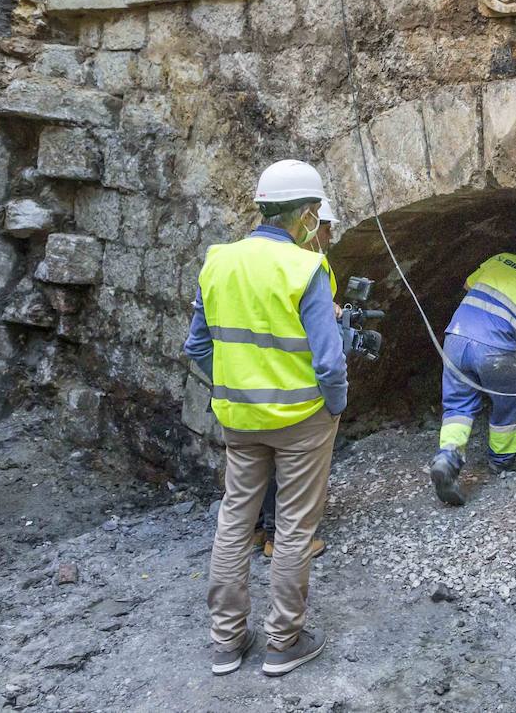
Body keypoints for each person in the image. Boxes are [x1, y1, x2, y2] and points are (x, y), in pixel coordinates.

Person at [184, 161, 348, 678]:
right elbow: (328, 360)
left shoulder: (217, 262)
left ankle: (226, 643)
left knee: (234, 521)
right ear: (304, 214)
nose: (314, 222)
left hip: (239, 418)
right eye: (314, 215)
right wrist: (336, 403)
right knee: (296, 527)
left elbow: (197, 345)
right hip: (302, 419)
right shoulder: (307, 270)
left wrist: (233, 385)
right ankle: (284, 642)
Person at [428, 232, 516, 506]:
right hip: (494, 350)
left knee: (458, 406)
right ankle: (502, 458)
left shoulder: (498, 258)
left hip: (456, 339)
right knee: (506, 402)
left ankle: (447, 458)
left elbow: (467, 284)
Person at [257, 197, 338, 559]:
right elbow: (325, 352)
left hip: (242, 384)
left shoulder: (241, 260)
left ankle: (258, 530)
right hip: (287, 384)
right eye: (327, 227)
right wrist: (335, 399)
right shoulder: (306, 266)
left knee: (256, 465)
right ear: (309, 222)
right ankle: (281, 539)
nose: (330, 235)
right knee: (288, 463)